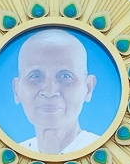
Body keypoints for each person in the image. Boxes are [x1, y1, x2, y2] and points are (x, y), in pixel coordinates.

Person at [10, 27, 103, 155]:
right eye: (35, 76)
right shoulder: (10, 159)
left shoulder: (107, 156)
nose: (49, 92)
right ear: (16, 90)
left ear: (88, 88)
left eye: (65, 76)